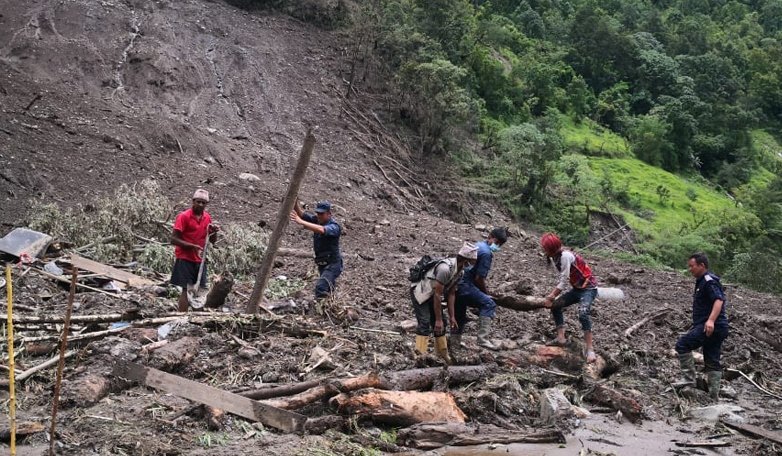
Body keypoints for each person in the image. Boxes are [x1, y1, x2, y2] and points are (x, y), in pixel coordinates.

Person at [411, 242, 478, 364]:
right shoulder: (445, 269)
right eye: (471, 262)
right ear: (465, 260)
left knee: (443, 323)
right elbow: (437, 295)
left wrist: (452, 316)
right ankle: (420, 357)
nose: (471, 265)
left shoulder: (460, 272)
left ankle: (442, 355)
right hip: (422, 292)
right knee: (425, 323)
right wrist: (437, 319)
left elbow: (451, 294)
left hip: (433, 294)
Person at [674, 253, 729, 400]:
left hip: (711, 325)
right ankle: (713, 395)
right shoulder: (702, 281)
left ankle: (688, 379)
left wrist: (710, 321)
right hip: (718, 327)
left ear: (702, 265)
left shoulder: (708, 281)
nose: (690, 269)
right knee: (712, 358)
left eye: (692, 266)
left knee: (682, 344)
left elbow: (718, 300)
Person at [540, 232, 599, 363]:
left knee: (583, 314)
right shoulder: (555, 257)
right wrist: (553, 299)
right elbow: (563, 277)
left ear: (550, 249)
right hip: (577, 289)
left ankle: (590, 350)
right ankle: (561, 338)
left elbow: (563, 281)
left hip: (588, 289)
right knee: (556, 306)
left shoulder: (565, 256)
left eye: (545, 248)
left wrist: (551, 296)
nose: (543, 250)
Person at [452, 227, 508, 351]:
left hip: (455, 284)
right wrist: (485, 293)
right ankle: (483, 340)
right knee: (489, 304)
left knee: (460, 313)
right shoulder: (487, 253)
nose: (497, 246)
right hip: (466, 285)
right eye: (497, 242)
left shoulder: (478, 245)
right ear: (490, 237)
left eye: (500, 244)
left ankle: (454, 342)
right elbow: (479, 278)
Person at [170, 189, 219, 312]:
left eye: (203, 203)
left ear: (206, 204)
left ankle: (196, 316)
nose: (200, 205)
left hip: (200, 259)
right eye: (198, 202)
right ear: (193, 201)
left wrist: (214, 231)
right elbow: (173, 239)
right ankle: (182, 316)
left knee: (200, 290)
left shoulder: (207, 218)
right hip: (185, 258)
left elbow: (212, 240)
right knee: (186, 289)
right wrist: (191, 246)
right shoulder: (184, 216)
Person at [290, 199, 343, 299]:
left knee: (321, 287)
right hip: (322, 264)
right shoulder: (317, 220)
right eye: (318, 213)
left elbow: (321, 229)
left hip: (333, 265)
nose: (319, 216)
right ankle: (329, 305)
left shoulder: (334, 227)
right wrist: (295, 201)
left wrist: (300, 222)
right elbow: (302, 215)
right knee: (328, 290)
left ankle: (320, 306)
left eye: (321, 214)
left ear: (329, 214)